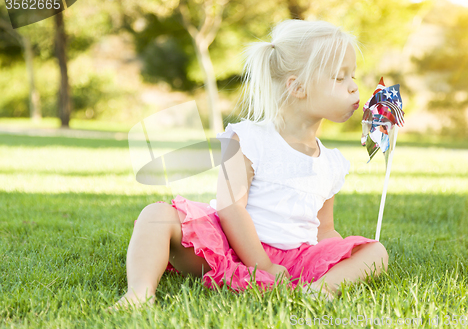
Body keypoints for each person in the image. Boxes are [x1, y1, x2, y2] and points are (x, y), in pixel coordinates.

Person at [110, 19, 388, 311]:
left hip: (293, 262)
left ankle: (319, 291)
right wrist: (263, 264)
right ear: (298, 87)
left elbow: (325, 230)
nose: (354, 88)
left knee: (376, 252)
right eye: (340, 78)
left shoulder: (332, 163)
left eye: (353, 76)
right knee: (157, 214)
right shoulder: (249, 139)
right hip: (232, 248)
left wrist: (336, 255)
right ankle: (139, 293)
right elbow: (230, 208)